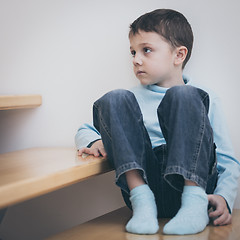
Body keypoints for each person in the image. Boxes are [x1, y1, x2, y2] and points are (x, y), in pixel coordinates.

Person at [75, 9, 240, 235]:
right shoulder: (130, 100)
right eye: (133, 52)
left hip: (196, 188)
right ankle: (141, 200)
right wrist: (96, 140)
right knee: (115, 98)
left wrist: (224, 197)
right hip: (146, 184)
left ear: (179, 55)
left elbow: (227, 159)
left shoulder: (202, 98)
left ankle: (193, 206)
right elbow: (85, 129)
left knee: (184, 95)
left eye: (147, 50)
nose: (136, 59)